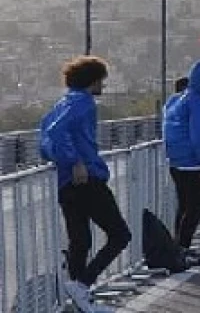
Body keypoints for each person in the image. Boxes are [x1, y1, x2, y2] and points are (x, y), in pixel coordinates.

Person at [40, 56, 131, 313]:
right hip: (87, 180)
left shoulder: (60, 103)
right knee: (120, 235)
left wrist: (62, 161)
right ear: (93, 81)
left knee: (80, 242)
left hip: (66, 185)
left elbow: (46, 139)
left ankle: (81, 303)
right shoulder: (84, 103)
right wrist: (76, 160)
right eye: (102, 80)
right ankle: (82, 285)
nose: (103, 85)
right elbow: (59, 132)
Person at [162, 60, 200, 256]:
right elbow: (198, 135)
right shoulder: (198, 102)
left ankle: (177, 246)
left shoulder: (175, 100)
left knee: (183, 206)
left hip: (176, 162)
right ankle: (183, 249)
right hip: (194, 164)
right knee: (195, 208)